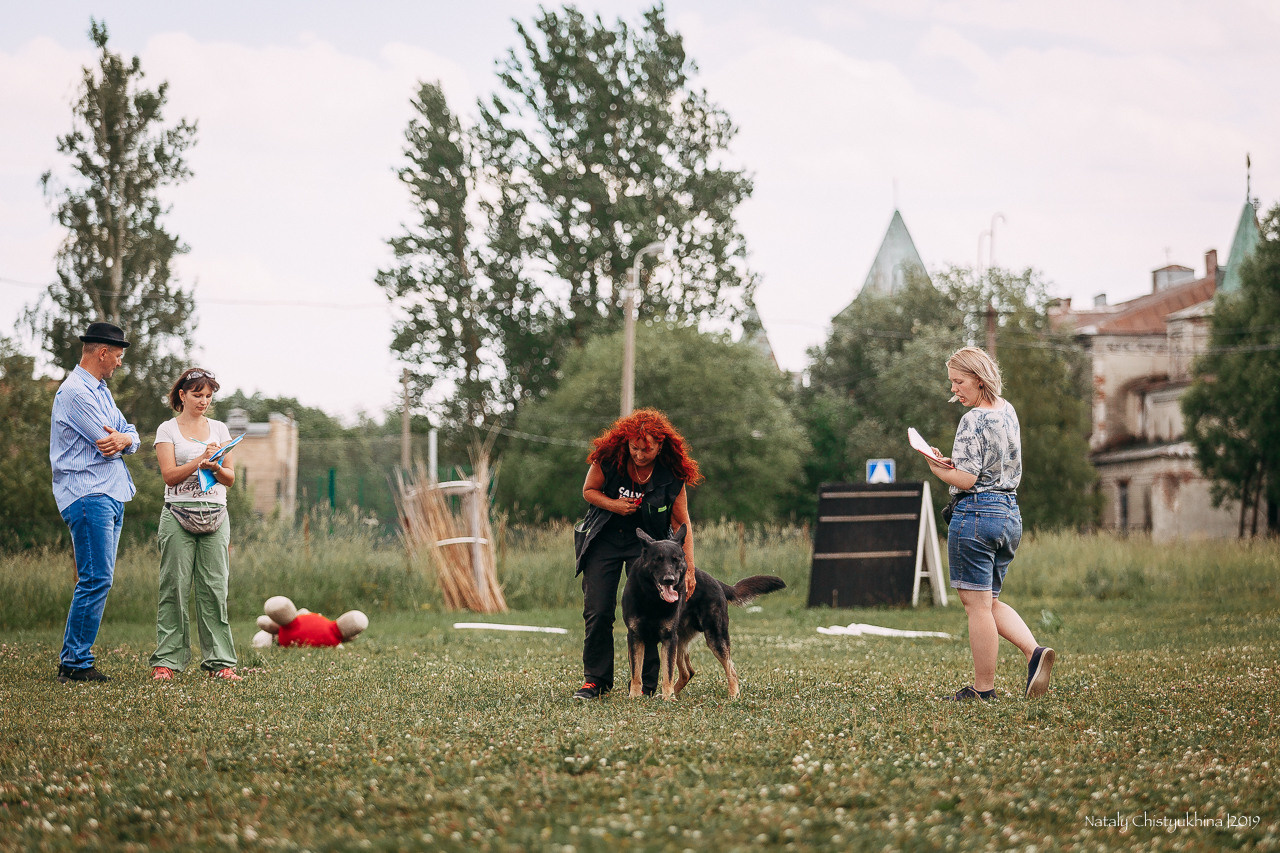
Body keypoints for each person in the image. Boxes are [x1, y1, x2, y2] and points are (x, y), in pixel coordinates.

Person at [925, 346, 1055, 701]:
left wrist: (934, 467)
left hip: (977, 515)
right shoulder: (1007, 410)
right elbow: (987, 465)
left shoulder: (972, 420)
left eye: (959, 382)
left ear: (979, 380)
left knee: (976, 606)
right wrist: (952, 464)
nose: (954, 389)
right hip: (1009, 514)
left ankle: (983, 690)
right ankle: (1034, 652)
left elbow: (967, 480)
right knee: (990, 600)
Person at [571, 408, 703, 700]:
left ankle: (647, 684)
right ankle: (595, 681)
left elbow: (681, 522)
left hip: (648, 548)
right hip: (604, 539)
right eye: (634, 448)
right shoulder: (608, 459)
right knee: (598, 610)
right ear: (626, 443)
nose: (640, 455)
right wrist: (614, 505)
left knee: (653, 610)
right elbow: (588, 491)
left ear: (660, 446)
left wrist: (690, 569)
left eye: (647, 449)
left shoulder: (671, 475)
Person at [50, 322, 141, 684]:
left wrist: (126, 439)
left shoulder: (100, 391)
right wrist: (122, 439)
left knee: (99, 579)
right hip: (89, 494)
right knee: (95, 578)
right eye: (117, 355)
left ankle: (75, 658)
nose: (119, 362)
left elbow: (128, 434)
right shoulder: (75, 392)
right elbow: (107, 442)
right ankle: (74, 663)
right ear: (102, 352)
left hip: (112, 492)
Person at [148, 367, 243, 681]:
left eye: (208, 396)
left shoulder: (219, 429)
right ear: (182, 395)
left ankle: (220, 663)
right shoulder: (167, 430)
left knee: (214, 589)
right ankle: (167, 661)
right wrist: (199, 460)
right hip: (177, 514)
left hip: (216, 515)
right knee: (174, 587)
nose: (204, 401)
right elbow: (169, 476)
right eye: (197, 395)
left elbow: (229, 478)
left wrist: (215, 466)